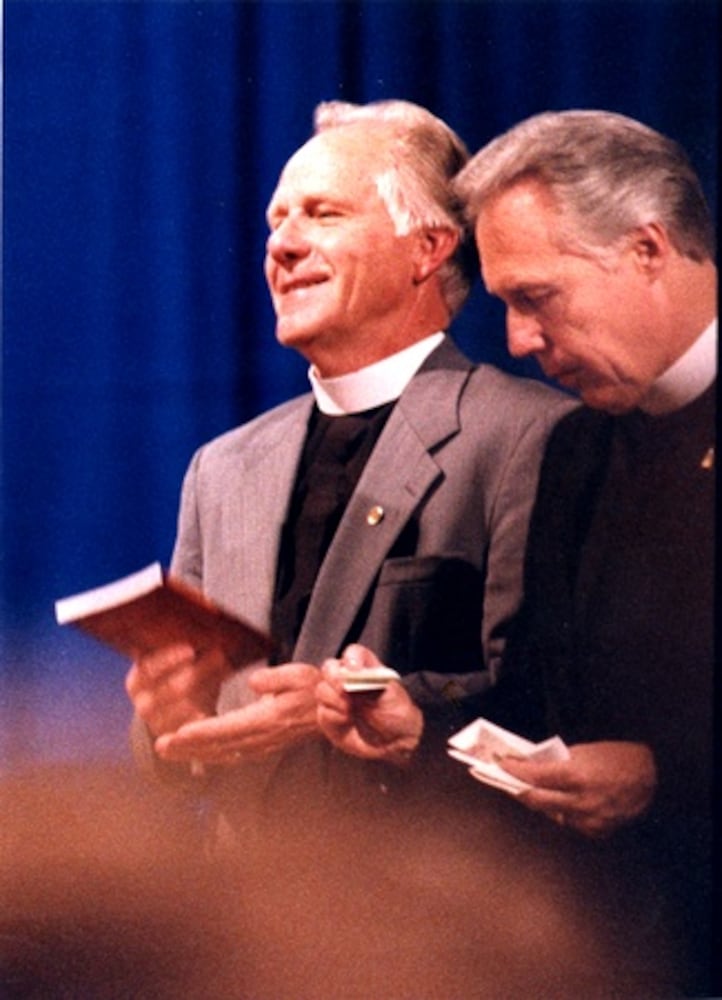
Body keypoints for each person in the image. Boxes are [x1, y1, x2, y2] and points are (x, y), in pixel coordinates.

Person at [320, 109, 717, 995]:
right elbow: (540, 701)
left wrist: (665, 777)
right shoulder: (576, 450)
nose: (518, 341)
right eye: (504, 305)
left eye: (536, 297)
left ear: (648, 250)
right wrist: (420, 732)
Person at [125, 99, 573, 831]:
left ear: (428, 249)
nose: (283, 245)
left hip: (430, 887)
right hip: (241, 891)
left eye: (322, 214)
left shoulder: (531, 437)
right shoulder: (221, 469)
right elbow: (183, 761)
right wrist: (168, 721)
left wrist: (353, 710)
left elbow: (551, 713)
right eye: (276, 221)